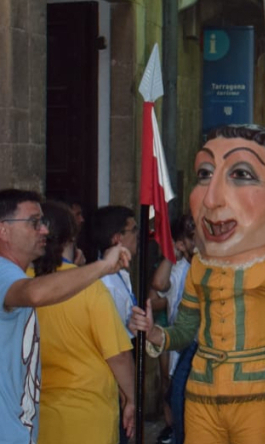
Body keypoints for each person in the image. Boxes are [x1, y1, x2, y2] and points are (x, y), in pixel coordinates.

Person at [130, 125, 265, 444]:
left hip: (257, 397)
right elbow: (185, 330)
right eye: (205, 173)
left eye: (240, 173)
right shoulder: (200, 263)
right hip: (200, 395)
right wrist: (154, 333)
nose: (212, 197)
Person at [0, 188, 131, 444]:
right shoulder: (5, 273)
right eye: (34, 223)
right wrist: (103, 266)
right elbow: (34, 294)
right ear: (3, 230)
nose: (43, 231)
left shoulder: (20, 274)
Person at [150, 214, 197, 444]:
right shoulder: (179, 270)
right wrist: (171, 252)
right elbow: (158, 286)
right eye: (191, 237)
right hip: (182, 355)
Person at [91, 205, 139, 338]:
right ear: (117, 238)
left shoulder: (119, 275)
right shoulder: (107, 284)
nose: (138, 235)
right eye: (134, 230)